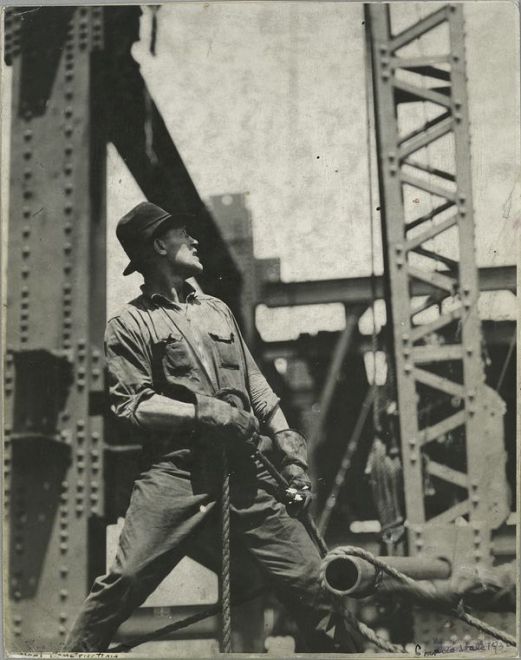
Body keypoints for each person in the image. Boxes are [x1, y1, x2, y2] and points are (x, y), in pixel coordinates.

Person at [63, 202, 362, 653]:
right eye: (186, 235)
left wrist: (284, 435)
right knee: (124, 578)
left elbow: (253, 378)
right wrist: (205, 411)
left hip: (245, 468)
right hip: (175, 473)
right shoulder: (128, 325)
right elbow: (132, 405)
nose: (197, 241)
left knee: (314, 578)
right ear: (159, 245)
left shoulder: (217, 310)